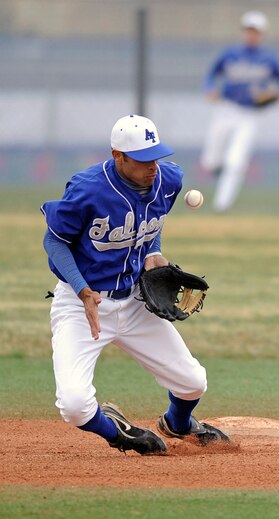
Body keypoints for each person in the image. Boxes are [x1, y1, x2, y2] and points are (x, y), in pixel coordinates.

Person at [41, 114, 231, 455]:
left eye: (155, 156)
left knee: (192, 383)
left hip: (134, 301)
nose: (152, 166)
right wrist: (82, 290)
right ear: (118, 157)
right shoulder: (87, 190)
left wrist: (153, 250)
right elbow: (55, 242)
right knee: (74, 405)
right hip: (83, 305)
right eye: (143, 160)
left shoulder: (168, 180)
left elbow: (151, 220)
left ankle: (179, 423)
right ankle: (119, 434)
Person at [201, 10, 279, 213]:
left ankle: (221, 205)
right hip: (226, 108)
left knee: (235, 161)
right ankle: (218, 173)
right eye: (249, 30)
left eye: (255, 31)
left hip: (250, 114)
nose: (252, 34)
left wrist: (278, 93)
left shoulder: (268, 58)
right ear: (244, 32)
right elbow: (212, 74)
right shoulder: (231, 54)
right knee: (211, 160)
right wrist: (209, 89)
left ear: (262, 34)